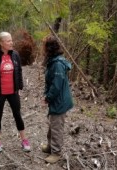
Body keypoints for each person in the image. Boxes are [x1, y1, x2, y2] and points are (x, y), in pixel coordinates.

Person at [0, 32, 30, 153]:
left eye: (11, 40)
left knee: (17, 115)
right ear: (1, 43)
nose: (11, 42)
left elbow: (19, 71)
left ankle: (24, 140)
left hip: (13, 92)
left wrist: (19, 87)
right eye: (8, 41)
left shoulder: (15, 55)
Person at [41, 35, 73, 163]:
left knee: (56, 127)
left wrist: (48, 98)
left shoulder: (58, 64)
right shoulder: (53, 61)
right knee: (52, 124)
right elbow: (50, 82)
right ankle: (50, 147)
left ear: (49, 48)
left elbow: (56, 85)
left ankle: (56, 153)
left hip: (59, 101)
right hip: (56, 100)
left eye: (44, 47)